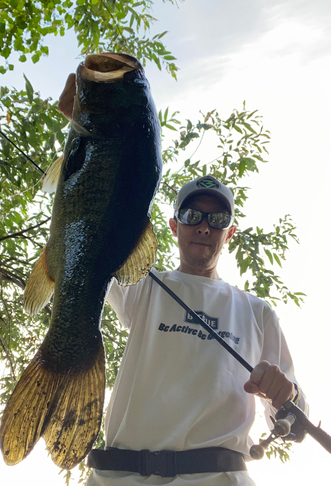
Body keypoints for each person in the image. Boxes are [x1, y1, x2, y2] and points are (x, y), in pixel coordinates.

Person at [58, 76, 307, 486]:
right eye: (193, 216)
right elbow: (94, 230)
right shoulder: (138, 282)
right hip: (117, 476)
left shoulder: (257, 313)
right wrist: (87, 133)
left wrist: (287, 395)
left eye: (217, 218)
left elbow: (293, 419)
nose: (204, 226)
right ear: (174, 226)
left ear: (230, 232)